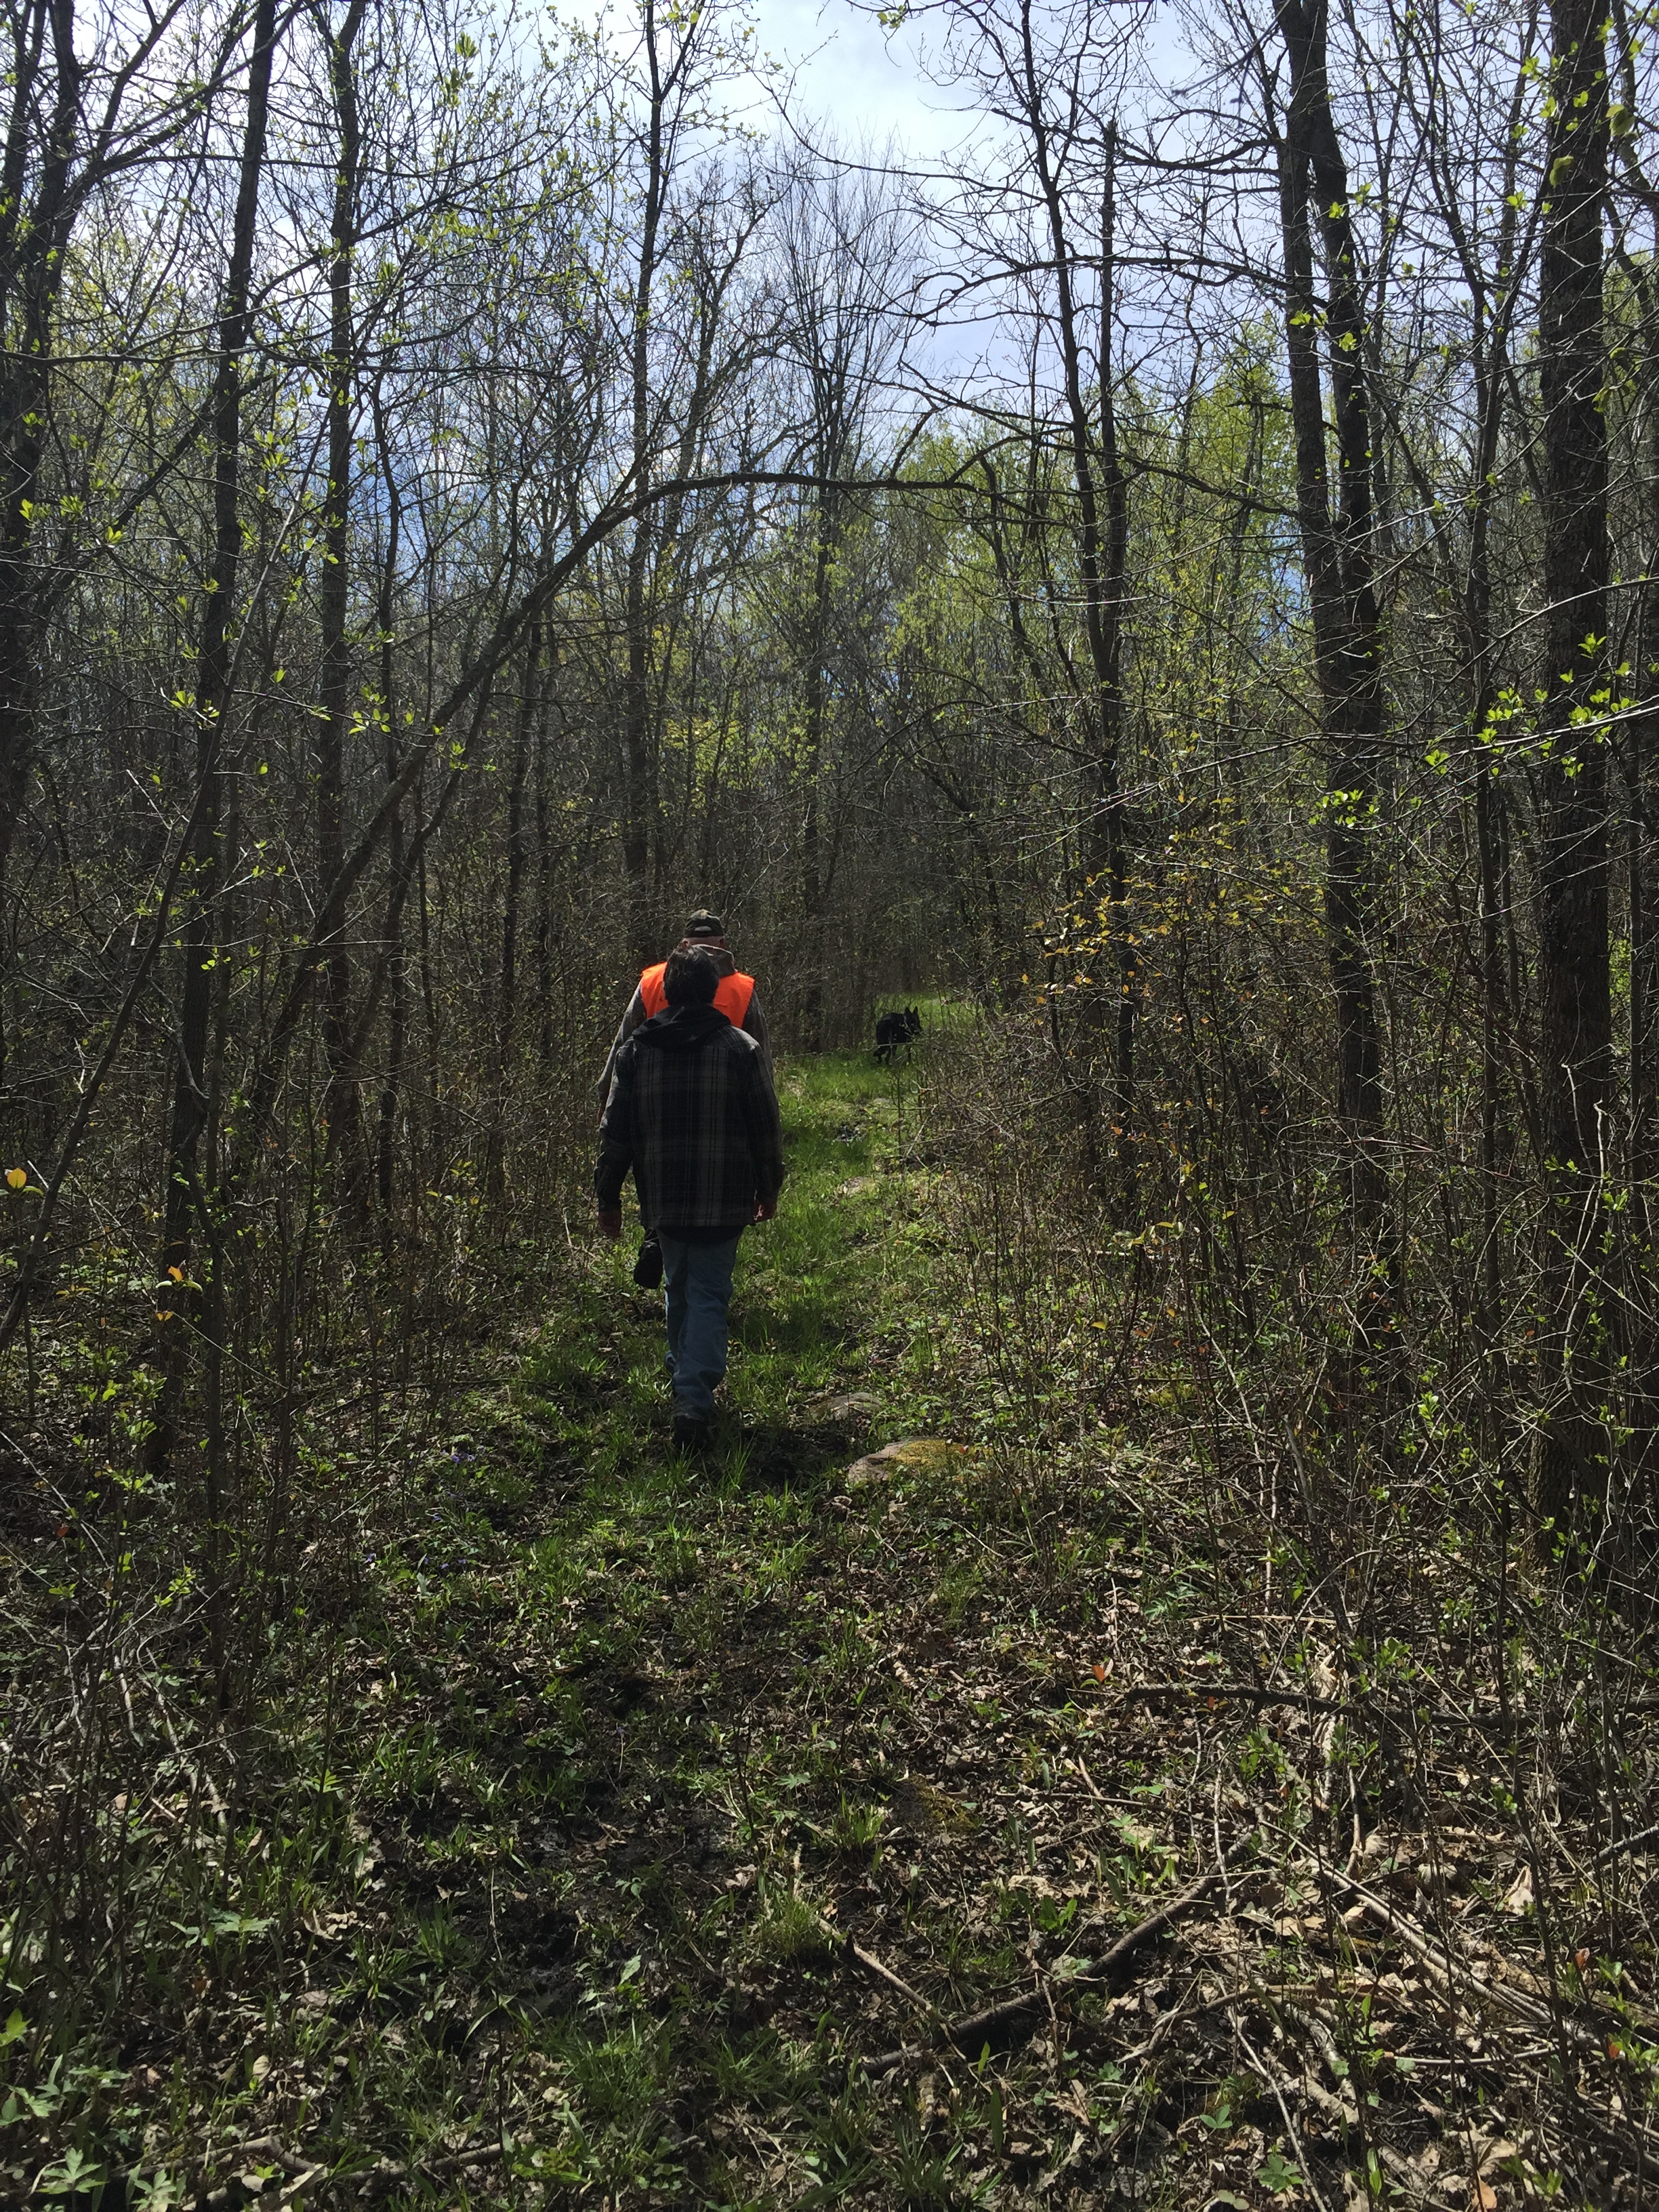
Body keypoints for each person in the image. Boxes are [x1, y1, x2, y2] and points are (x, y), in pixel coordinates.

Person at [594, 945, 784, 1452]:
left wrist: (608, 1197)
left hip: (664, 1198)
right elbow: (766, 1127)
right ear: (714, 991)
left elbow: (615, 1133)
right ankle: (693, 1401)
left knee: (680, 1288)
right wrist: (769, 1187)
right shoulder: (741, 1049)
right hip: (724, 1197)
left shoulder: (636, 1052)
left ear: (669, 991)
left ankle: (685, 1379)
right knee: (706, 1294)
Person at [598, 909, 773, 1289]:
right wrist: (766, 1179)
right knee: (710, 1280)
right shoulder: (742, 989)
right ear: (723, 943)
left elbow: (621, 1050)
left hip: (659, 1127)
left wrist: (610, 1109)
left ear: (682, 945)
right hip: (723, 1130)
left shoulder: (652, 981)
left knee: (673, 1240)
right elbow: (763, 1075)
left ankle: (657, 1243)